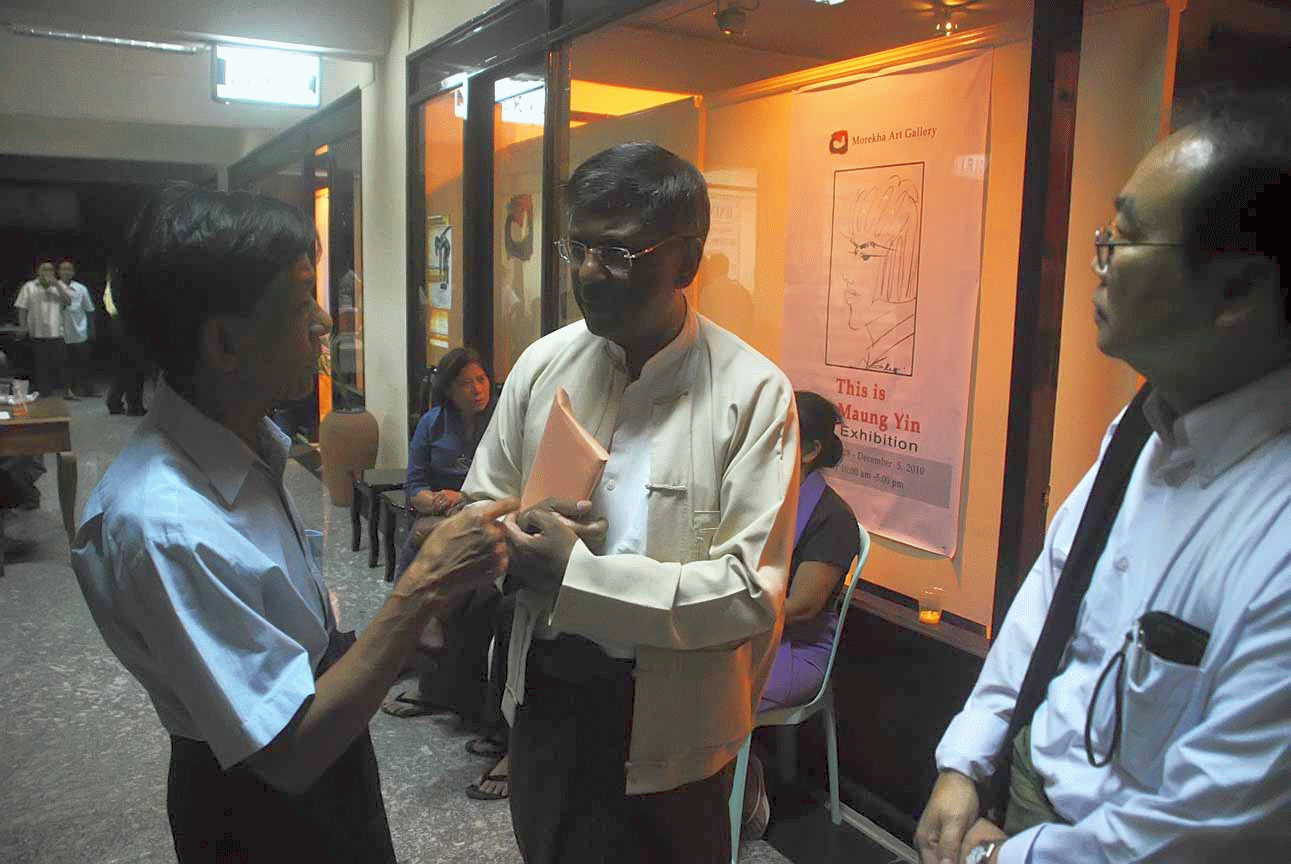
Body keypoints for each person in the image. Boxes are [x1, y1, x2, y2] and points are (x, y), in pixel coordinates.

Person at [71, 185, 514, 864]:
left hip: (331, 768)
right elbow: (286, 753)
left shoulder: (246, 448)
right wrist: (420, 586)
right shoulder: (164, 523)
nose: (324, 322)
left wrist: (422, 617)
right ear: (223, 342)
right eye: (302, 299)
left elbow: (293, 650)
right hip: (260, 816)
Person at [916, 89, 1291, 864]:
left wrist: (999, 859)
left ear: (1238, 291)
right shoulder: (1143, 422)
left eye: (1126, 239)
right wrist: (967, 759)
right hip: (1027, 791)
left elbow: (1204, 827)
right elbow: (1053, 595)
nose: (1100, 263)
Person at [462, 142, 800, 864]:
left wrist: (576, 574)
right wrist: (518, 537)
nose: (589, 272)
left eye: (617, 254)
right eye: (578, 247)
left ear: (686, 261)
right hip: (547, 697)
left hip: (674, 729)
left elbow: (750, 594)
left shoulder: (752, 393)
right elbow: (479, 508)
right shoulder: (543, 364)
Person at [741, 391, 861, 839]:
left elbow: (804, 605)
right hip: (752, 631)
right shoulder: (764, 497)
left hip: (797, 649)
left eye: (776, 437)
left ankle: (740, 792)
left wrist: (726, 608)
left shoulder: (834, 518)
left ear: (811, 450)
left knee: (709, 688)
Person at [407, 347, 496, 516]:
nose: (477, 390)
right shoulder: (431, 423)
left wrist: (463, 498)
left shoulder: (502, 420)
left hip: (490, 509)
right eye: (466, 384)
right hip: (442, 511)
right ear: (448, 390)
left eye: (481, 380)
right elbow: (415, 485)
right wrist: (438, 501)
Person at [13, 260, 72, 398]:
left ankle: (58, 391)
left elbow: (68, 301)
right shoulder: (29, 286)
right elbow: (22, 308)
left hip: (56, 332)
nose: (47, 272)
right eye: (44, 269)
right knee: (39, 366)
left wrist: (57, 285)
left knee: (57, 365)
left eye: (50, 270)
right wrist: (23, 327)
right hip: (37, 332)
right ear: (38, 272)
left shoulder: (59, 286)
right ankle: (42, 391)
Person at [102, 273, 148, 415]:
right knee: (135, 365)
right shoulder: (123, 282)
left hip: (119, 323)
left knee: (124, 366)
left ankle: (115, 401)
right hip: (128, 323)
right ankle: (134, 404)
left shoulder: (114, 281)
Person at [58, 258, 96, 398]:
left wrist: (91, 329)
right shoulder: (55, 288)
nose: (66, 272)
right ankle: (68, 390)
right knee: (66, 364)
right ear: (58, 272)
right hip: (61, 332)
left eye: (69, 269)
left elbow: (89, 310)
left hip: (79, 331)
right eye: (63, 269)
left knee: (83, 363)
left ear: (73, 272)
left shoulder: (81, 288)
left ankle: (86, 390)